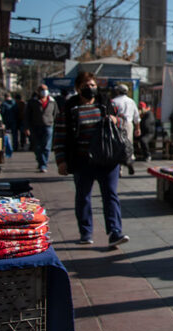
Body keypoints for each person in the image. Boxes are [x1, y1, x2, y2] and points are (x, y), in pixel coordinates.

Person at [54, 71, 129, 247]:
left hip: (107, 158)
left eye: (93, 85)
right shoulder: (69, 108)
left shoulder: (105, 103)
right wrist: (61, 160)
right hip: (81, 160)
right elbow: (60, 135)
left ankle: (114, 232)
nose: (90, 88)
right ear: (78, 88)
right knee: (83, 196)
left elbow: (122, 121)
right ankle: (86, 232)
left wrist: (115, 120)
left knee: (110, 195)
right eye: (86, 85)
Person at [24, 84, 59, 172]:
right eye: (42, 90)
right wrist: (27, 127)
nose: (44, 91)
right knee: (37, 147)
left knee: (46, 146)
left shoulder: (52, 101)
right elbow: (27, 115)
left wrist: (54, 123)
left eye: (46, 89)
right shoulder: (32, 102)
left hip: (48, 126)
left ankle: (43, 164)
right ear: (38, 91)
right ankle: (40, 161)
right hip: (35, 127)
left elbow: (56, 113)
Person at [111, 84, 140, 175]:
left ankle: (120, 169)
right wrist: (138, 128)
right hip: (129, 125)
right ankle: (130, 161)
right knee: (128, 145)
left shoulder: (114, 101)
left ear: (118, 91)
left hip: (117, 124)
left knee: (117, 145)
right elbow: (136, 117)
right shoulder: (131, 101)